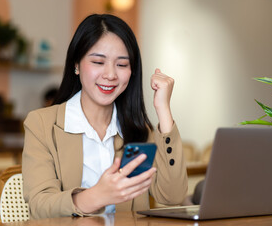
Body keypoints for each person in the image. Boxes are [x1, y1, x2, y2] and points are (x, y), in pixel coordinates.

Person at [22, 14, 188, 219]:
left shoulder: (137, 129)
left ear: (132, 71)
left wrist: (163, 109)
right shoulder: (42, 124)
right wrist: (97, 196)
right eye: (98, 62)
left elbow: (172, 196)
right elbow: (40, 206)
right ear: (76, 64)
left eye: (121, 64)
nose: (110, 74)